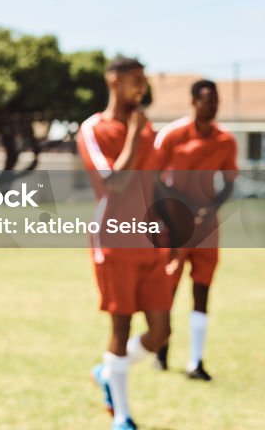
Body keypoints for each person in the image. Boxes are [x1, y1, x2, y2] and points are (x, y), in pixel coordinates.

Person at [76, 57, 171, 430]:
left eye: (144, 82)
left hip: (150, 240)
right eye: (135, 81)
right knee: (121, 329)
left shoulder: (148, 130)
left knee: (161, 332)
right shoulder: (93, 128)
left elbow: (157, 182)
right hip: (113, 238)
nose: (141, 89)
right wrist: (133, 133)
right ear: (113, 81)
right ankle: (124, 417)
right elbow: (113, 182)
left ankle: (107, 371)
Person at [151, 79, 237, 381]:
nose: (212, 106)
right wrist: (184, 205)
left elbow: (228, 181)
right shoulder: (173, 135)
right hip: (174, 222)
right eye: (206, 100)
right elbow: (153, 177)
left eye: (216, 101)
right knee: (167, 288)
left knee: (202, 289)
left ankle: (196, 361)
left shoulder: (225, 139)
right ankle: (161, 348)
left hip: (205, 225)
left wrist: (210, 209)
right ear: (193, 101)